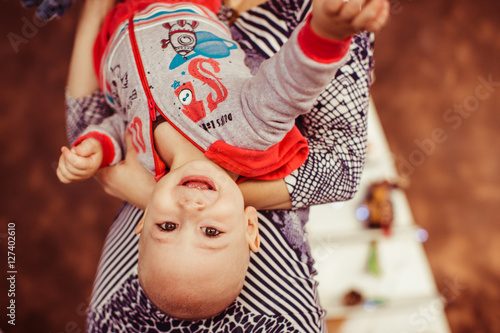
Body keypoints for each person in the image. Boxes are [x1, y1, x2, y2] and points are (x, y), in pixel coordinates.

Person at [60, 0, 387, 331]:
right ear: (249, 226)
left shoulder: (148, 161)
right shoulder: (243, 130)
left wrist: (99, 152)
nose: (190, 208)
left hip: (116, 36)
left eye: (168, 226)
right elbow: (290, 84)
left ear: (144, 220)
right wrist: (326, 35)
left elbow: (115, 125)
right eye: (210, 231)